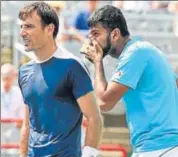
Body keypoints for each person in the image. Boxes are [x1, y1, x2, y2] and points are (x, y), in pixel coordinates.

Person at [81, 5, 178, 157]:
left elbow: (104, 103)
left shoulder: (135, 53)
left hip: (158, 147)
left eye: (95, 33)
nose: (91, 40)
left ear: (115, 34)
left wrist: (97, 61)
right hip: (160, 146)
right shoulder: (145, 50)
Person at [18, 2, 102, 157]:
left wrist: (89, 154)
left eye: (29, 26)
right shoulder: (24, 71)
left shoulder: (72, 66)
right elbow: (27, 123)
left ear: (50, 29)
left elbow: (94, 118)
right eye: (21, 27)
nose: (22, 32)